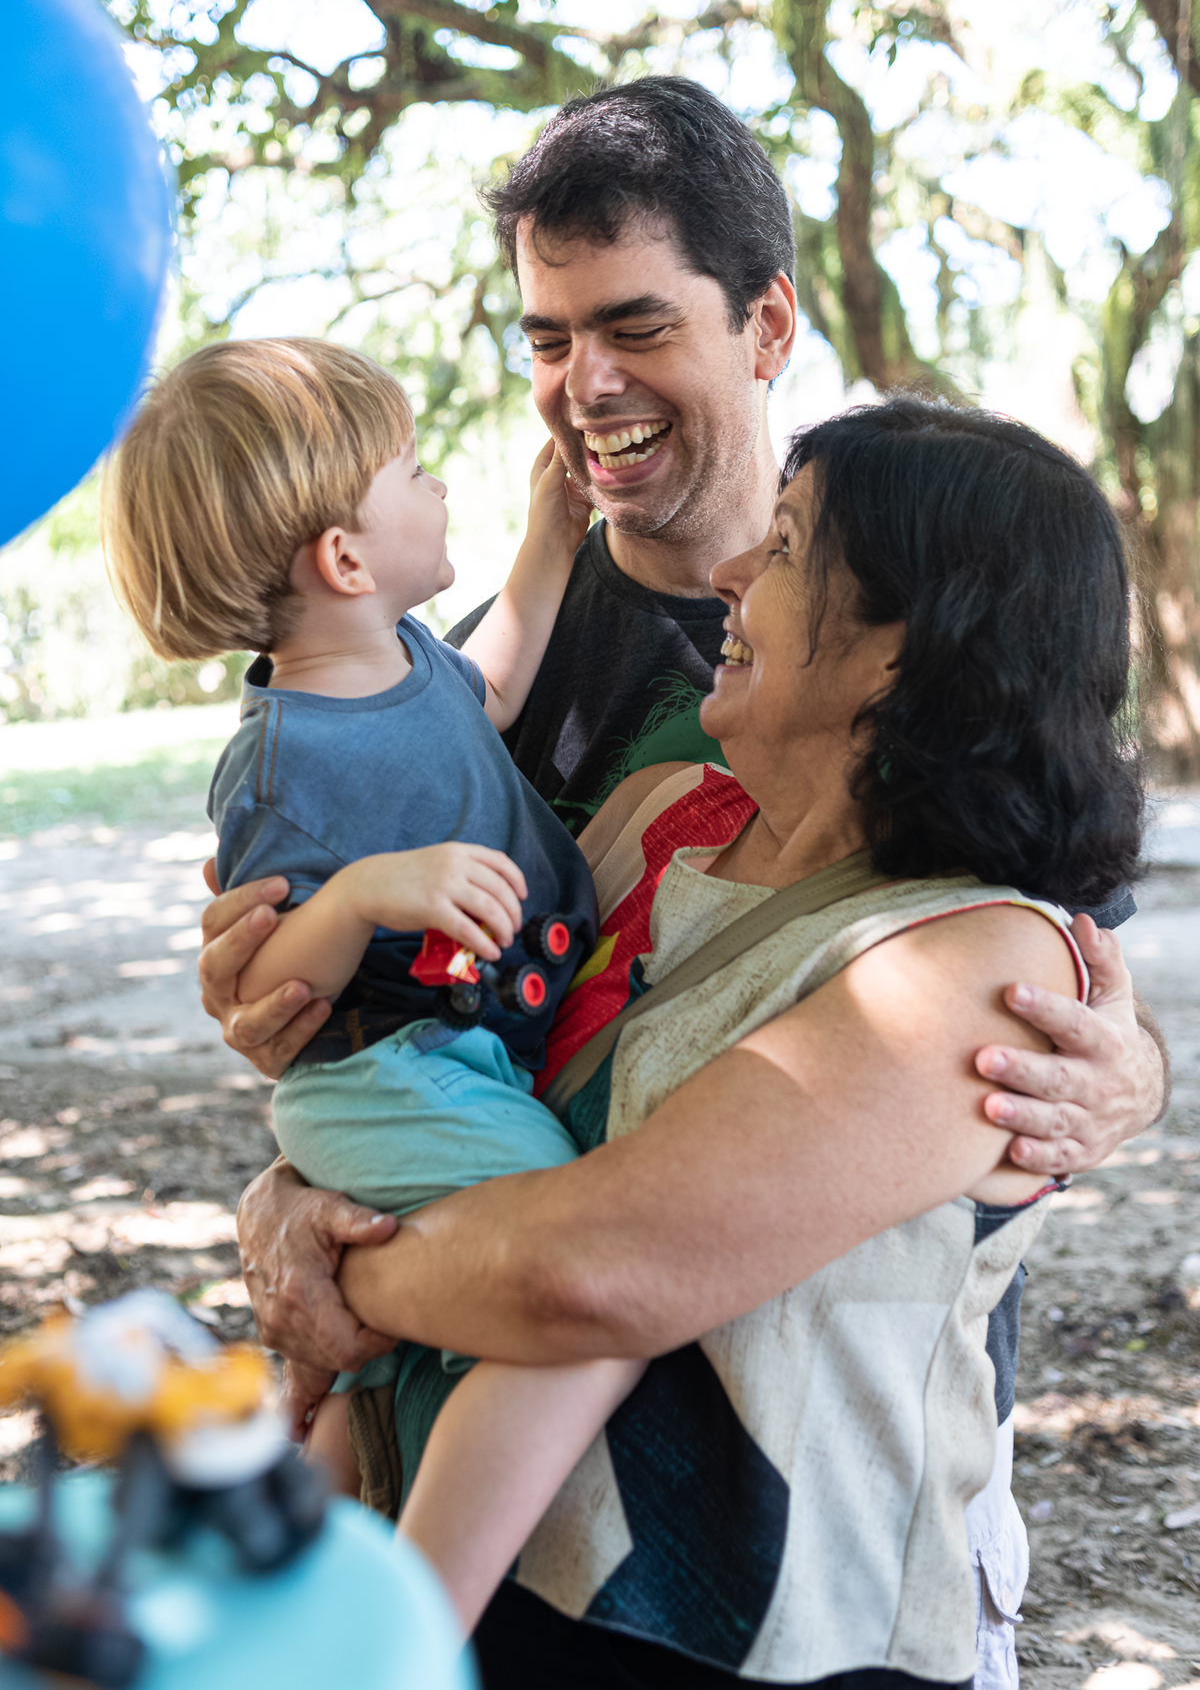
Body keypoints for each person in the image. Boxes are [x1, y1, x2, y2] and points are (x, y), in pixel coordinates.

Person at [200, 81, 1166, 1672]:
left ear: (768, 322)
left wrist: (1126, 1072)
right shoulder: (501, 699)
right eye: (545, 335)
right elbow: (423, 1022)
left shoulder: (939, 633)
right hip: (553, 1524)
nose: (584, 384)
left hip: (811, 1547)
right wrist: (290, 1076)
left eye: (633, 324)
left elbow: (1055, 973)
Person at [320, 395, 1145, 1685]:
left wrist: (341, 1271)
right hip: (495, 1592)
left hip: (760, 1642)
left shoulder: (978, 963)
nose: (726, 576)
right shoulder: (657, 821)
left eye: (788, 548)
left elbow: (601, 1272)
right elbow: (442, 1052)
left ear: (902, 648)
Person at [101, 335, 665, 1630]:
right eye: (414, 470)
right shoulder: (282, 762)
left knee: (397, 1348)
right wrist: (364, 895)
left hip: (454, 1061)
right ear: (343, 559)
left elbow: (504, 673)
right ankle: (414, 1617)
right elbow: (273, 988)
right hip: (382, 1077)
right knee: (565, 1284)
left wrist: (546, 528)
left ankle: (295, 1568)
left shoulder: (411, 661)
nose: (438, 484)